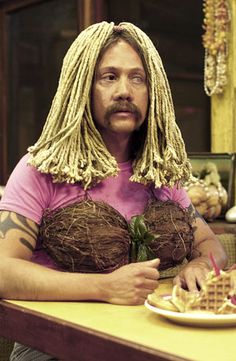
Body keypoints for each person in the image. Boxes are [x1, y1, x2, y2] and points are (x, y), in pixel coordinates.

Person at [0, 21, 227, 360]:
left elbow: (210, 245)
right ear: (82, 88)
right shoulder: (40, 169)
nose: (125, 90)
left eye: (137, 78)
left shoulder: (160, 173)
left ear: (154, 92)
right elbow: (3, 271)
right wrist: (103, 287)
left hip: (149, 339)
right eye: (109, 76)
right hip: (55, 347)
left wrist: (201, 267)